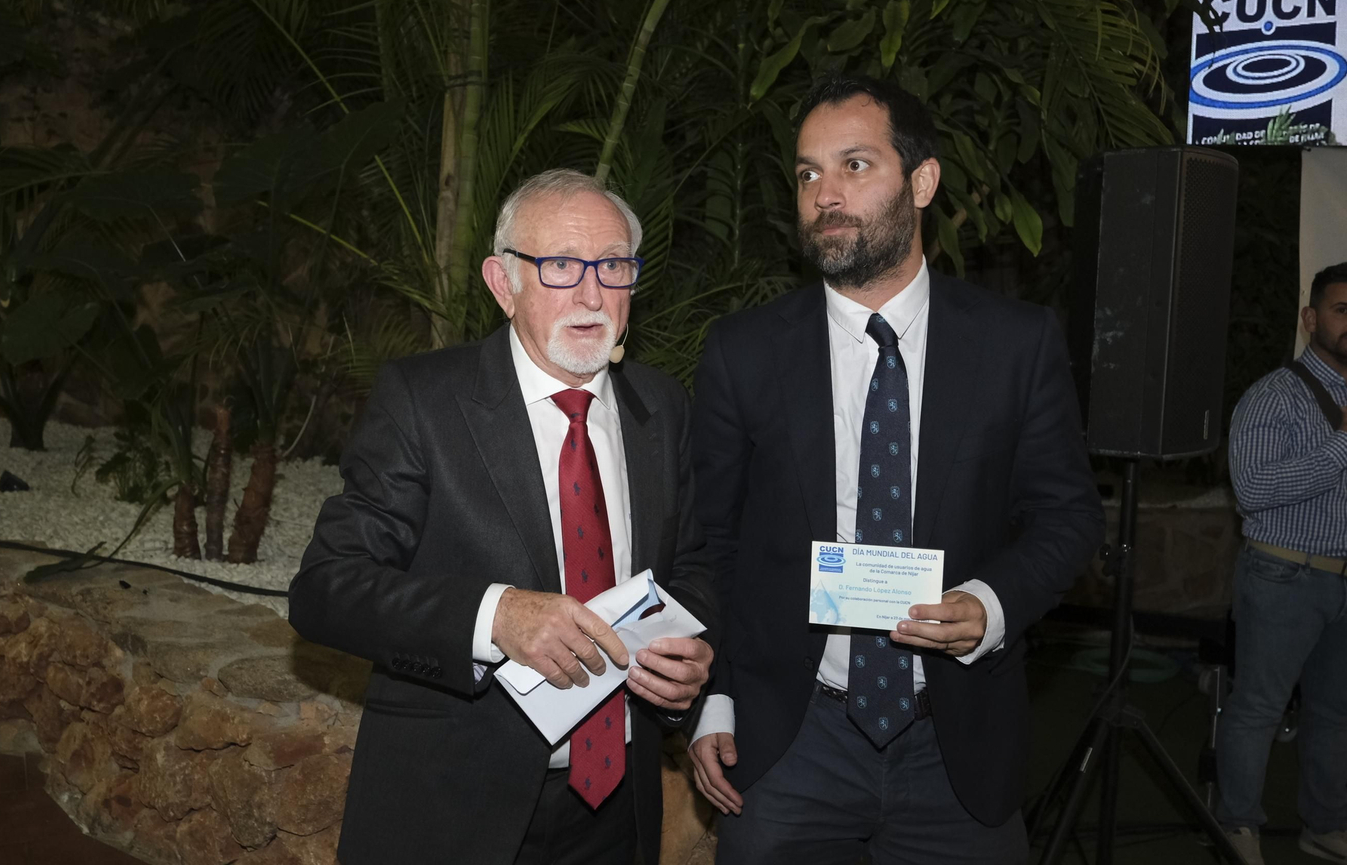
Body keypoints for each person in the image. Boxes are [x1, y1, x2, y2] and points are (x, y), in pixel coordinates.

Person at [685, 73, 1104, 864]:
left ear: (923, 180)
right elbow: (712, 542)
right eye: (808, 173)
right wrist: (715, 699)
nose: (824, 194)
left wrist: (990, 603)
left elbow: (1070, 517)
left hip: (958, 743)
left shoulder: (1016, 345)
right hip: (790, 737)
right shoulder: (743, 350)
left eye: (853, 166)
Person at [288, 169, 717, 865]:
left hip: (616, 811)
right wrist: (495, 618)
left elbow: (693, 564)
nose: (590, 292)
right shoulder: (424, 401)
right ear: (502, 282)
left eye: (612, 265)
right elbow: (325, 588)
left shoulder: (660, 408)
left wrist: (688, 653)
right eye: (559, 266)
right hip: (455, 808)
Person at [1217, 261, 1347, 865]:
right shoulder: (1275, 394)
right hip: (1284, 577)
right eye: (1343, 311)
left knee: (1336, 715)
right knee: (1258, 710)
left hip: (1343, 580)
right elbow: (1254, 490)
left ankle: (1324, 825)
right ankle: (1237, 828)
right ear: (1311, 318)